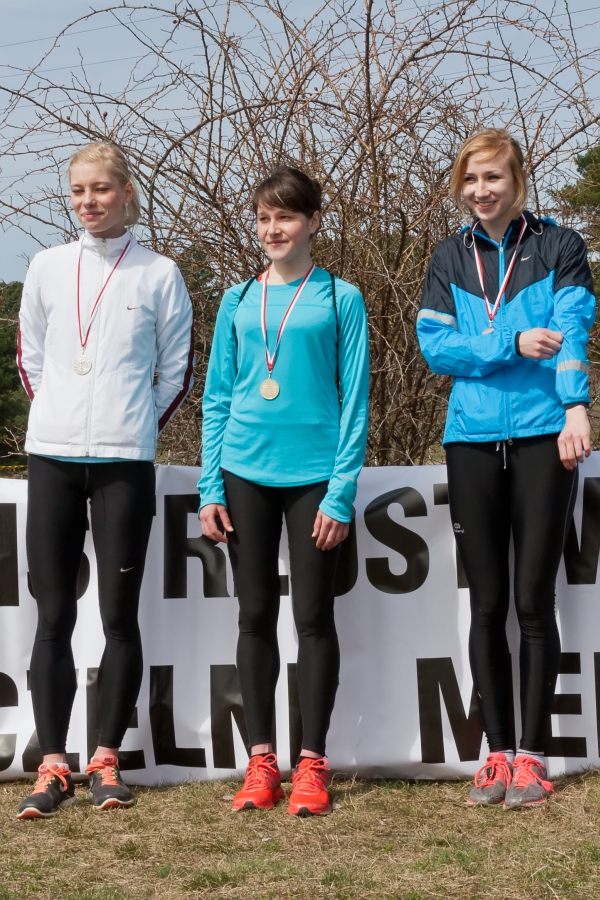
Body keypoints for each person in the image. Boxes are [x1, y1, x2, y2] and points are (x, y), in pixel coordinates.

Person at [417, 128, 596, 809]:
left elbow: (572, 329)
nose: (481, 190)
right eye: (470, 179)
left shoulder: (559, 245)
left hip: (546, 433)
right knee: (486, 603)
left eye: (493, 177)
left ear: (518, 180)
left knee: (533, 601)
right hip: (470, 439)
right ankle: (495, 754)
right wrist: (510, 342)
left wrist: (575, 406)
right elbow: (437, 348)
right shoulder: (448, 256)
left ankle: (533, 756)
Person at [16, 142, 194, 818]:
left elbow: (176, 370)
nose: (88, 202)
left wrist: (134, 427)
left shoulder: (160, 273)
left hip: (124, 460)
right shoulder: (46, 266)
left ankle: (106, 759)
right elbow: (31, 358)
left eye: (101, 189)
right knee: (53, 615)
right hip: (52, 456)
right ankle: (52, 763)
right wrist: (58, 417)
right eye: (78, 191)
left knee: (119, 616)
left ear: (127, 194)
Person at [199, 166, 369, 816]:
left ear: (313, 221)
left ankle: (312, 764)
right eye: (265, 217)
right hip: (244, 472)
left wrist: (340, 491)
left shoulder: (340, 297)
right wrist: (210, 486)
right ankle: (261, 761)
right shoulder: (237, 299)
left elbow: (355, 401)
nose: (274, 229)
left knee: (313, 618)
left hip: (315, 477)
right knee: (253, 616)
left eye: (287, 216)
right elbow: (218, 398)